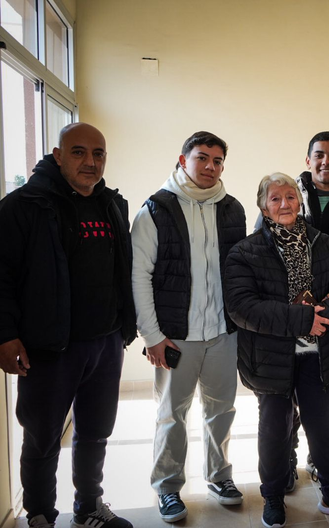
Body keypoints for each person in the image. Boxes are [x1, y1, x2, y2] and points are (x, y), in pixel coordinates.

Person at [0, 123, 136, 528]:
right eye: (79, 153)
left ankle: (89, 505)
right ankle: (40, 514)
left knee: (95, 431)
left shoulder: (112, 204)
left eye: (98, 154)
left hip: (106, 342)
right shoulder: (23, 206)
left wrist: (124, 327)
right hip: (50, 346)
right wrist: (5, 335)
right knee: (42, 437)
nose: (90, 163)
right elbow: (2, 275)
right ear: (57, 155)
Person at [224, 173, 329, 527]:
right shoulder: (245, 252)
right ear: (263, 206)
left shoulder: (323, 244)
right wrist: (303, 319)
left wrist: (323, 317)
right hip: (269, 357)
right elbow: (242, 307)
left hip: (318, 354)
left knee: (322, 426)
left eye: (290, 197)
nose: (284, 204)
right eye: (275, 199)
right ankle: (273, 497)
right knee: (275, 429)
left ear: (300, 201)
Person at [131, 131, 247, 522]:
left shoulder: (232, 209)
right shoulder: (155, 209)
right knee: (171, 414)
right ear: (183, 161)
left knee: (221, 411)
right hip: (174, 335)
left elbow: (238, 273)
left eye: (217, 161)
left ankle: (219, 476)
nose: (210, 167)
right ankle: (167, 487)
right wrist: (152, 336)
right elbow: (139, 277)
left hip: (222, 333)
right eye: (202, 158)